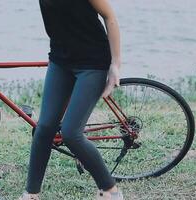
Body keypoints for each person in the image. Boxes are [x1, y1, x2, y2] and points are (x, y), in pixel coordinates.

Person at [19, 0, 122, 199]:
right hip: (60, 61)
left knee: (70, 133)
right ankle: (31, 194)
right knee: (44, 128)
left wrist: (115, 64)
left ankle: (111, 191)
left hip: (92, 63)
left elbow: (110, 17)